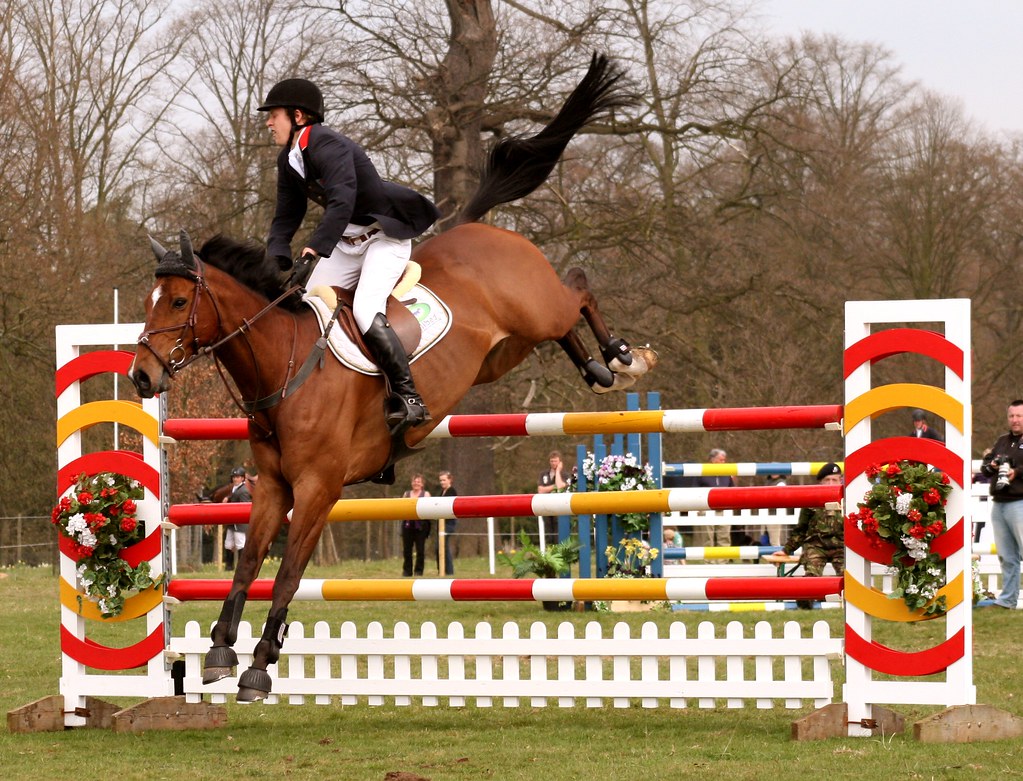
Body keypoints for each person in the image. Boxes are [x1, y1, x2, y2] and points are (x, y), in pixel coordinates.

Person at [258, 78, 441, 434]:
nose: (269, 123)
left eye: (274, 115)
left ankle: (409, 397)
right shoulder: (289, 159)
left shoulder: (329, 144)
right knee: (309, 305)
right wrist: (276, 256)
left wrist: (313, 249)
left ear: (298, 116)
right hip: (345, 244)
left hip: (382, 238)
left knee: (363, 308)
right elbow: (285, 215)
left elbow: (342, 201)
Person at [978, 400, 1023, 609]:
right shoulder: (1002, 441)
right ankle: (1007, 601)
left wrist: (1017, 472)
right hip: (1000, 503)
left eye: (1019, 416)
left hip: (1020, 503)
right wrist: (991, 464)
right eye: (1012, 416)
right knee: (1007, 556)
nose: (1015, 420)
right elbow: (986, 470)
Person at [782, 462, 844, 609]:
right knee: (811, 576)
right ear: (820, 482)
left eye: (834, 480)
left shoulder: (847, 500)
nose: (830, 484)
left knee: (848, 576)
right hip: (816, 546)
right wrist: (786, 550)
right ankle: (806, 603)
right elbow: (800, 530)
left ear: (840, 481)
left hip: (841, 546)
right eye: (827, 480)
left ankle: (850, 605)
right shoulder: (811, 499)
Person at [693, 448, 736, 547]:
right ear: (712, 459)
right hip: (706, 508)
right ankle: (709, 562)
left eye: (724, 460)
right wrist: (698, 508)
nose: (723, 462)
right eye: (721, 460)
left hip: (724, 509)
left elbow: (732, 489)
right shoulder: (701, 472)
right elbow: (694, 490)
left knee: (724, 537)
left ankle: (723, 561)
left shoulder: (727, 473)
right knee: (707, 538)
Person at [400, 474, 431, 577]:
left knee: (420, 550)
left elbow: (429, 509)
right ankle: (407, 571)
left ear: (422, 484)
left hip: (421, 526)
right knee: (407, 550)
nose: (416, 483)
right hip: (408, 526)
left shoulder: (426, 494)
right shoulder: (406, 494)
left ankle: (418, 571)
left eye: (418, 481)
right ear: (411, 483)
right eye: (414, 481)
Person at [221, 466, 251, 570]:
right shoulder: (235, 488)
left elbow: (245, 506)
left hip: (239, 523)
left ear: (242, 478)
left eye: (237, 477)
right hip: (232, 522)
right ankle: (229, 566)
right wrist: (228, 498)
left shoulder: (244, 491)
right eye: (234, 477)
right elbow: (234, 497)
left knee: (240, 544)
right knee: (228, 544)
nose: (235, 479)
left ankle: (242, 567)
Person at [537, 451, 568, 544]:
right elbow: (540, 490)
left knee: (558, 531)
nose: (553, 463)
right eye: (552, 461)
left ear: (560, 462)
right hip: (545, 506)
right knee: (548, 532)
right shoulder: (543, 474)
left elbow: (560, 487)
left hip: (559, 506)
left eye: (556, 461)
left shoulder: (565, 475)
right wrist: (554, 486)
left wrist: (558, 471)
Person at [436, 470, 457, 575]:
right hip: (441, 523)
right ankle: (443, 570)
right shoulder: (442, 492)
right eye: (441, 480)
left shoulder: (452, 492)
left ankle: (448, 571)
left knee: (441, 546)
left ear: (450, 480)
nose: (442, 482)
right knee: (442, 546)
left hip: (449, 523)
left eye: (444, 480)